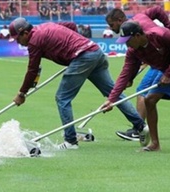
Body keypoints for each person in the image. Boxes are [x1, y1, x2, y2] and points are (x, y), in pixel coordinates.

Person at [9, 17, 148, 149]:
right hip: (94, 51)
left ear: (26, 33)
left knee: (62, 98)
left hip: (83, 57)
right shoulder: (46, 25)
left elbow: (32, 70)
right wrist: (71, 47)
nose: (18, 42)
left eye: (18, 39)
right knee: (113, 93)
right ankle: (141, 126)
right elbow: (71, 26)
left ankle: (70, 141)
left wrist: (22, 93)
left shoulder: (34, 41)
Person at [102, 21, 170, 152]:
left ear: (138, 35)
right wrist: (111, 99)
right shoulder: (133, 51)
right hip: (163, 70)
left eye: (128, 40)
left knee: (150, 98)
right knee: (149, 100)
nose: (127, 44)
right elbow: (125, 74)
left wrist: (168, 73)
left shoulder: (161, 35)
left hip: (167, 70)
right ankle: (155, 144)